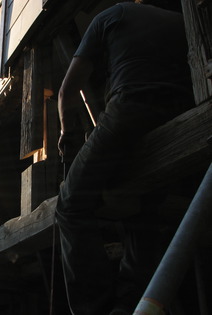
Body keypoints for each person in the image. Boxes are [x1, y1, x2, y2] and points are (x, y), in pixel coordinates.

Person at [56, 1, 194, 314]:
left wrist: (67, 134)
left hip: (130, 110)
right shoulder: (182, 19)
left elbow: (67, 91)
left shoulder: (111, 15)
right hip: (179, 116)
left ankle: (96, 308)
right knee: (143, 213)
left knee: (70, 205)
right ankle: (132, 303)